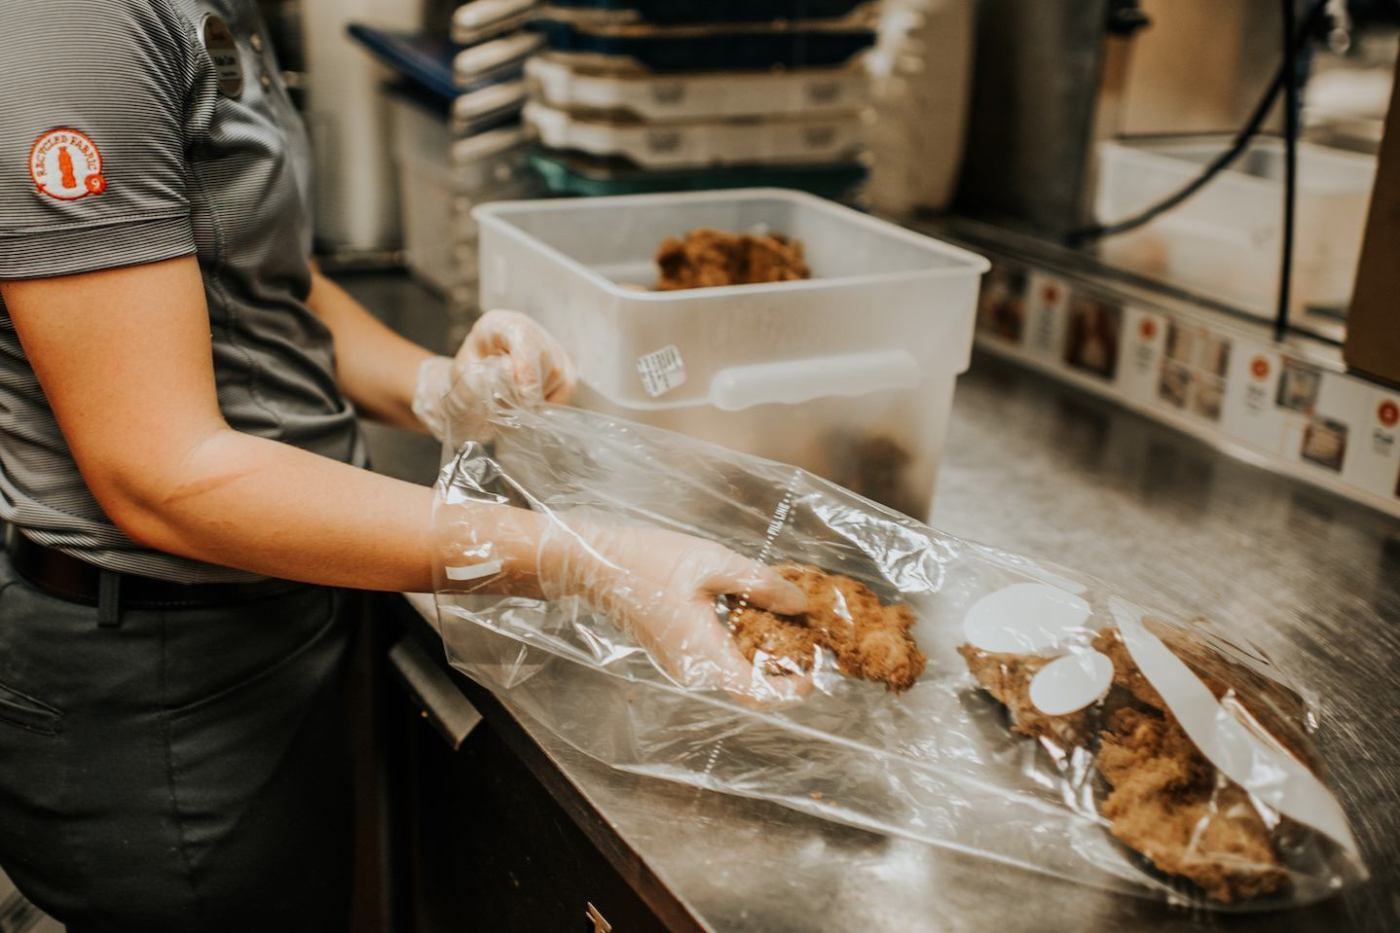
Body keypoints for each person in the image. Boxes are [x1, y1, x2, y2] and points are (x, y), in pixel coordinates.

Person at [0, 2, 806, 930]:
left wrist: (436, 388)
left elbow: (255, 274)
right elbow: (162, 474)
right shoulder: (77, 21)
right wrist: (586, 559)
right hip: (158, 675)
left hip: (278, 608)